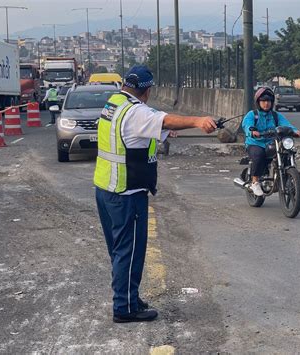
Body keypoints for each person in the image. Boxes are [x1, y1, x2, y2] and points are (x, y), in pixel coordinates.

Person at [94, 65, 217, 323]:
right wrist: (197, 121)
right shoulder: (137, 110)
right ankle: (125, 308)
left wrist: (164, 130)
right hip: (127, 193)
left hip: (106, 189)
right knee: (130, 251)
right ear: (147, 90)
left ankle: (128, 295)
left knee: (119, 251)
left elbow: (143, 130)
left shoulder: (114, 103)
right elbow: (161, 119)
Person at [241, 87, 300, 196]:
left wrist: (295, 131)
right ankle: (255, 182)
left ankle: (285, 175)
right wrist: (252, 131)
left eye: (269, 101)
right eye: (263, 101)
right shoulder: (252, 114)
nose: (266, 103)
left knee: (286, 152)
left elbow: (286, 124)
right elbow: (247, 125)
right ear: (258, 102)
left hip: (271, 142)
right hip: (255, 142)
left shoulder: (275, 116)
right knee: (259, 155)